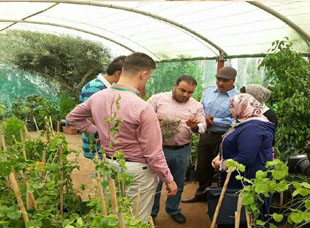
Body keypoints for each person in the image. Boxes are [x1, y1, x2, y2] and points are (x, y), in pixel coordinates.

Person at [66, 52, 177, 221]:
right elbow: (153, 153)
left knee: (112, 215)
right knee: (136, 220)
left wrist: (96, 131)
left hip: (109, 166)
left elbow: (72, 117)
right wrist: (168, 178)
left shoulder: (98, 97)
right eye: (148, 77)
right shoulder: (142, 107)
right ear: (144, 74)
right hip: (138, 171)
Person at [148, 75, 206, 224]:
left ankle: (173, 210)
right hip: (158, 149)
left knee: (178, 183)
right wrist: (154, 118)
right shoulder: (157, 99)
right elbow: (143, 116)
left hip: (182, 149)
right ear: (175, 85)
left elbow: (203, 126)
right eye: (183, 90)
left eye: (190, 92)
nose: (186, 95)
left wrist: (195, 126)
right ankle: (151, 213)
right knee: (155, 183)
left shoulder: (196, 106)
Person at [211, 93, 275, 226]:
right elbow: (235, 144)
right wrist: (220, 155)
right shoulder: (245, 122)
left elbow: (246, 158)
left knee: (245, 218)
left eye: (232, 107)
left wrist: (221, 164)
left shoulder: (253, 128)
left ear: (244, 107)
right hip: (240, 179)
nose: (230, 110)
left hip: (247, 181)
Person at [182, 66, 238, 203]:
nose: (221, 83)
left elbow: (236, 120)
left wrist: (214, 120)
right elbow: (200, 110)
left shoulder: (237, 97)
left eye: (225, 80)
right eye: (218, 79)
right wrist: (204, 117)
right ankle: (201, 194)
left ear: (233, 81)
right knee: (202, 167)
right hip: (206, 135)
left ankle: (220, 198)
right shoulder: (208, 91)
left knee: (222, 166)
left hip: (224, 137)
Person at [79, 56, 126, 159]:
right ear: (118, 73)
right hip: (96, 147)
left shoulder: (109, 88)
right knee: (100, 172)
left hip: (106, 145)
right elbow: (94, 118)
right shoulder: (95, 87)